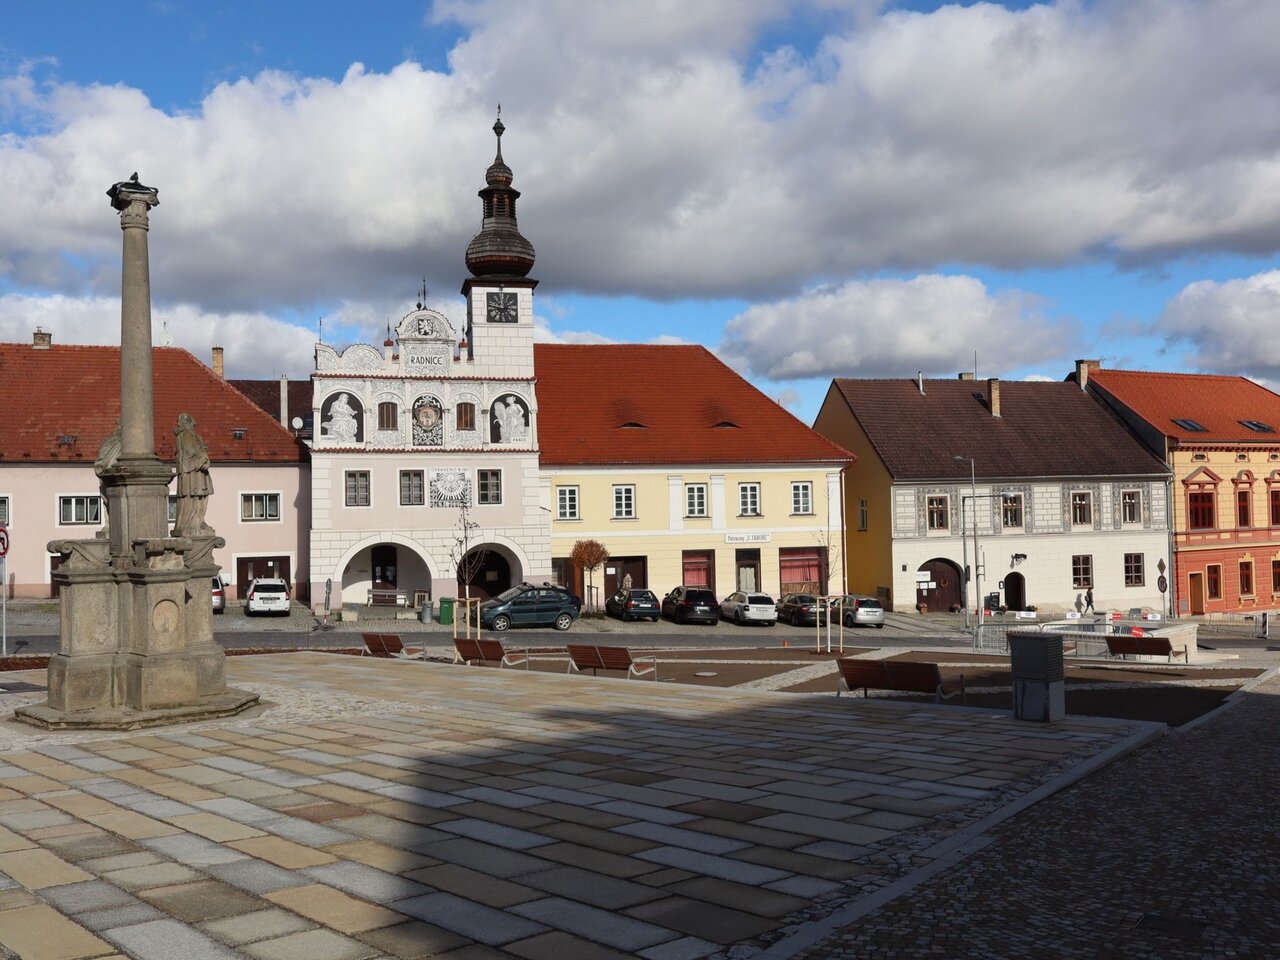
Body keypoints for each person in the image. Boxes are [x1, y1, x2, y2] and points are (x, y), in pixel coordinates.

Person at [174, 413, 214, 536]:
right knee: (194, 496)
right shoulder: (187, 434)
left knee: (199, 496)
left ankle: (198, 521)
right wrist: (203, 457)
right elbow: (190, 452)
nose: (194, 423)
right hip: (193, 472)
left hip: (196, 471)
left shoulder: (188, 434)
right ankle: (192, 523)